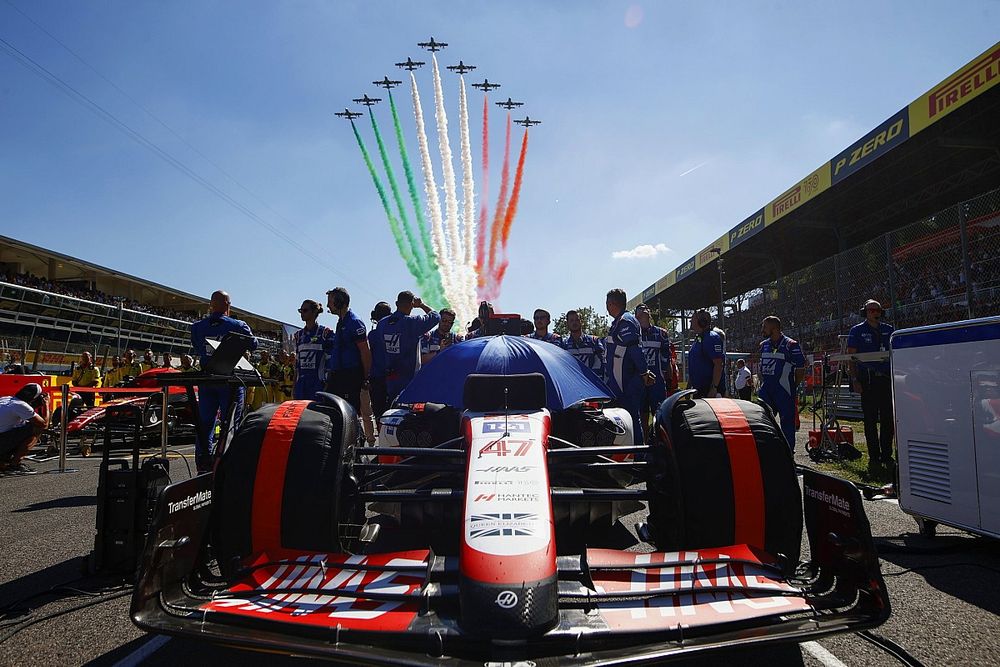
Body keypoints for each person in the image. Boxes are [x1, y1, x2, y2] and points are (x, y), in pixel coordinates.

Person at [190, 290, 258, 473]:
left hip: (207, 380)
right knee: (231, 423)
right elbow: (254, 344)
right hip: (230, 381)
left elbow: (197, 347)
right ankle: (227, 462)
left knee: (205, 422)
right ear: (228, 305)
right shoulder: (238, 325)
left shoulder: (197, 327)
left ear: (211, 305)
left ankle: (203, 463)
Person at [847, 299, 895, 472]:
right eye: (871, 310)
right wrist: (854, 380)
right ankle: (874, 456)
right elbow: (851, 359)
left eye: (877, 310)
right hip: (867, 380)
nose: (875, 312)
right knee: (870, 420)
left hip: (886, 379)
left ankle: (887, 454)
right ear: (864, 312)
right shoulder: (857, 331)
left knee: (888, 419)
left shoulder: (889, 330)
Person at [372, 291, 440, 404]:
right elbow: (436, 316)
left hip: (389, 377)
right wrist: (422, 305)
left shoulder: (382, 324)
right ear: (412, 305)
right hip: (409, 378)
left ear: (396, 303)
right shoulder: (412, 322)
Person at [604, 289, 650, 444]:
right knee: (625, 418)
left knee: (631, 417)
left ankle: (638, 455)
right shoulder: (619, 321)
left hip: (628, 381)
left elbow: (634, 349)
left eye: (607, 304)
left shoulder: (625, 321)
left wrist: (644, 373)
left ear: (612, 303)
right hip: (620, 382)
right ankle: (628, 452)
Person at [757, 316, 806, 450]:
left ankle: (788, 454)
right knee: (762, 421)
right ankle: (766, 450)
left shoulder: (791, 345)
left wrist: (793, 385)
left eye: (765, 327)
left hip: (784, 390)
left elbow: (800, 369)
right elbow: (761, 367)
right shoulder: (763, 345)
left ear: (774, 328)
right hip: (766, 390)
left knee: (787, 424)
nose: (762, 330)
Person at [323, 287, 372, 414]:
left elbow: (365, 351)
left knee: (349, 412)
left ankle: (355, 434)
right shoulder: (341, 322)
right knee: (332, 408)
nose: (328, 305)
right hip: (338, 374)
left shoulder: (354, 322)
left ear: (340, 301)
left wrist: (366, 377)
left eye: (330, 301)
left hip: (350, 375)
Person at [635, 304, 677, 436]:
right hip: (639, 382)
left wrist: (669, 379)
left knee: (659, 415)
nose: (643, 311)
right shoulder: (634, 334)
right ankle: (644, 445)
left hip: (657, 382)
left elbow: (666, 358)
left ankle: (660, 443)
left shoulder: (661, 333)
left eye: (646, 309)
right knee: (641, 416)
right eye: (640, 310)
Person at [0, 383, 47, 473]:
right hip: (2, 441)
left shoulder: (5, 399)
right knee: (37, 429)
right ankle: (15, 464)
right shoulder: (21, 405)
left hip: (3, 435)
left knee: (23, 428)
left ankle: (4, 458)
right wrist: (46, 405)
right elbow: (43, 424)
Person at [364, 301, 393, 442]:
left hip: (377, 378)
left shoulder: (373, 335)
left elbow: (369, 357)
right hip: (393, 377)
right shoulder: (394, 333)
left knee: (379, 411)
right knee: (392, 411)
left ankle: (382, 440)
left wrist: (367, 377)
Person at [293, 299, 331, 401]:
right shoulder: (298, 335)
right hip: (301, 385)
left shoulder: (325, 333)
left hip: (318, 384)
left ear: (314, 312)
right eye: (300, 310)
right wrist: (294, 386)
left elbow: (330, 362)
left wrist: (328, 383)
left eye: (305, 310)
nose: (302, 313)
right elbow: (297, 364)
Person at [687, 309, 726, 398]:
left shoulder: (711, 337)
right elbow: (694, 365)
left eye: (693, 319)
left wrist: (714, 388)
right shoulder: (699, 339)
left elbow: (718, 364)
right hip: (699, 390)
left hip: (709, 391)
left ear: (702, 322)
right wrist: (689, 387)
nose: (691, 321)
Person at [561, 309, 605, 377]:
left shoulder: (594, 341)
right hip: (571, 382)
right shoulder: (564, 344)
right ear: (567, 324)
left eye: (577, 320)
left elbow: (602, 363)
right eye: (571, 320)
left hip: (592, 383)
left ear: (582, 322)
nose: (574, 322)